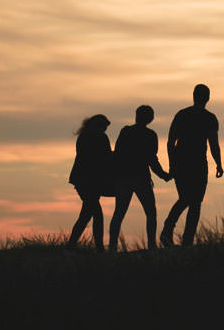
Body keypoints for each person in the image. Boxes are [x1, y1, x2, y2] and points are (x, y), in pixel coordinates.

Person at [160, 84, 223, 247]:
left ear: (194, 96)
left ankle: (175, 233)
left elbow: (170, 142)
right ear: (208, 98)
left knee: (188, 200)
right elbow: (213, 144)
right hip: (196, 164)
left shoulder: (182, 114)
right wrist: (219, 164)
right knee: (193, 202)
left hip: (183, 162)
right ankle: (176, 234)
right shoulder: (209, 118)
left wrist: (172, 163)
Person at [108, 105, 172, 251]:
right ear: (150, 119)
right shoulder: (150, 135)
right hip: (141, 178)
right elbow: (152, 159)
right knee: (151, 212)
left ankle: (112, 247)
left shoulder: (126, 131)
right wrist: (163, 175)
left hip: (123, 177)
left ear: (137, 116)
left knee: (119, 212)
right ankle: (151, 245)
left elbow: (117, 154)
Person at [66, 114, 112, 251]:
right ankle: (98, 249)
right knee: (96, 214)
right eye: (104, 127)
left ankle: (70, 247)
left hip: (83, 180)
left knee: (86, 215)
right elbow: (106, 157)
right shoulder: (99, 138)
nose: (105, 130)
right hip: (88, 181)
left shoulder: (83, 137)